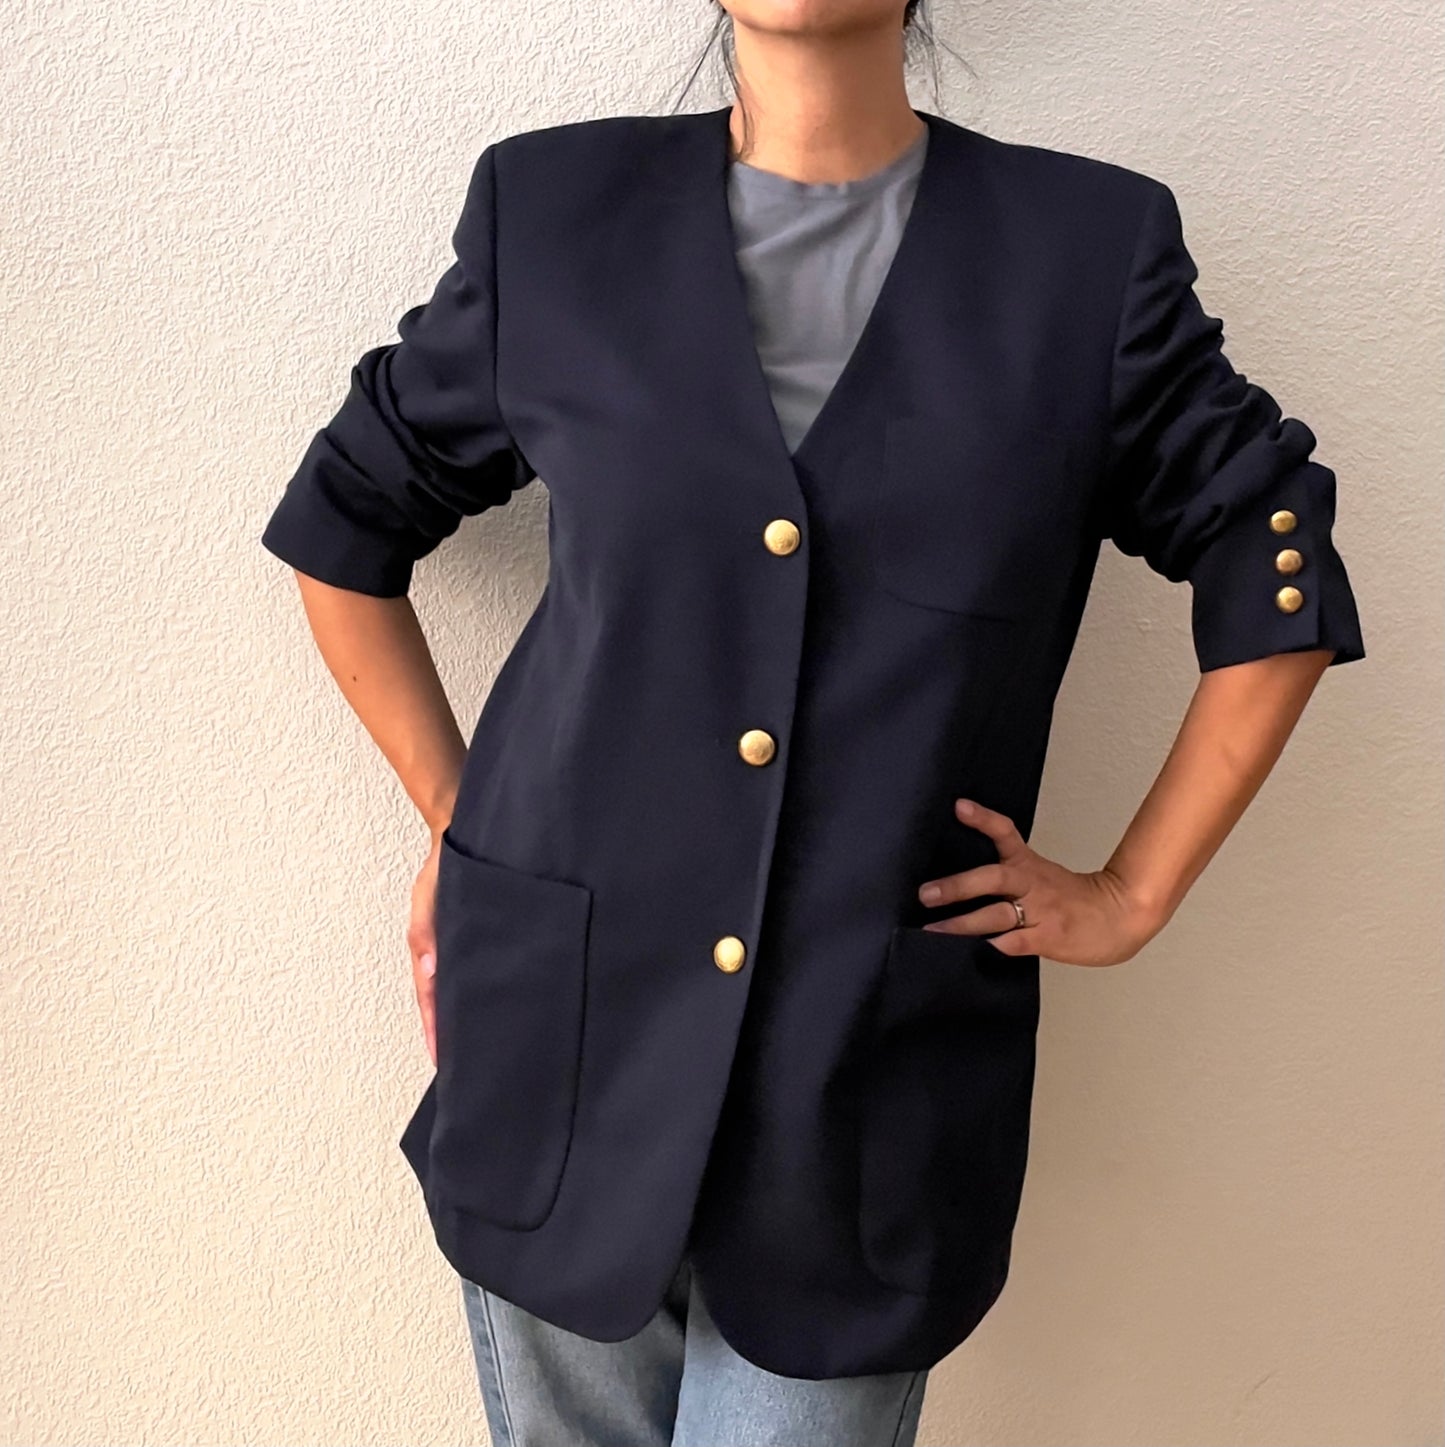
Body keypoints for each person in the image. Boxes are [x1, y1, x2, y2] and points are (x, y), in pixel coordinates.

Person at [258, 2, 1366, 1443]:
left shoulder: (1084, 256)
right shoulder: (554, 213)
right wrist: (463, 823)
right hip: (562, 1039)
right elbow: (345, 522)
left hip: (865, 1082)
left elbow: (1272, 557)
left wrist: (1131, 893)